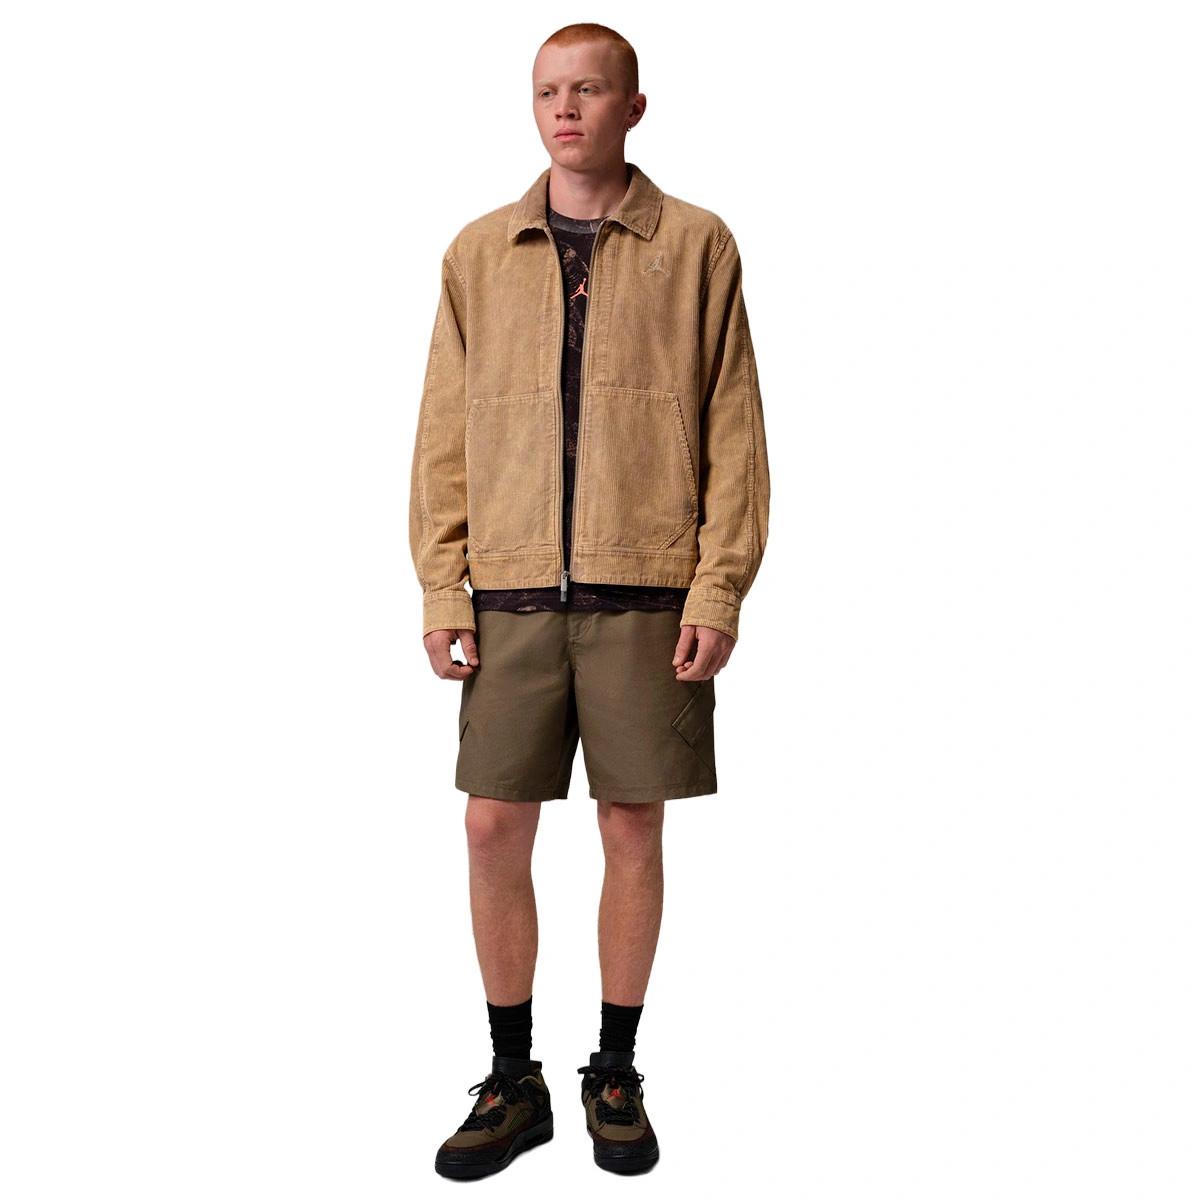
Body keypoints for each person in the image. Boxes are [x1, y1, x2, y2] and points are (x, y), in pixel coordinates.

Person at [409, 22, 770, 1179]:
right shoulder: (478, 252)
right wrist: (443, 581)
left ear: (633, 106)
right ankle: (512, 1076)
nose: (565, 108)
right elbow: (443, 436)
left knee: (631, 825)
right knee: (490, 823)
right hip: (510, 589)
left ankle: (614, 1067)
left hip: (647, 586)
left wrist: (718, 585)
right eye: (547, 92)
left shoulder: (698, 244)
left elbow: (733, 425)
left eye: (589, 89)